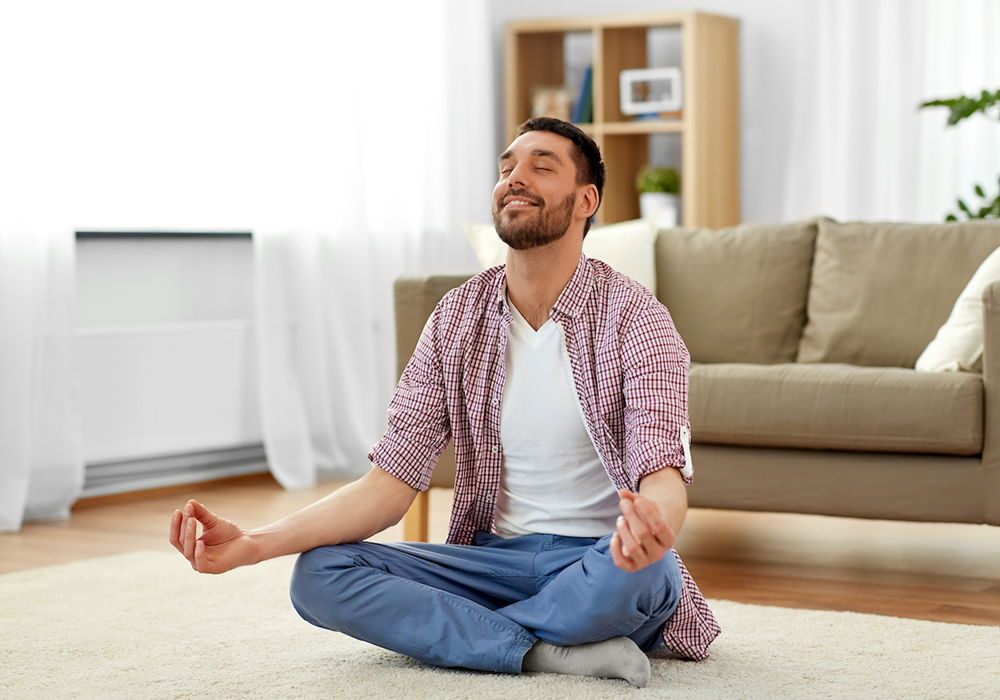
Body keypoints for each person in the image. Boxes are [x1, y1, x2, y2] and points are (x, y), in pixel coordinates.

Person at [169, 117, 720, 687]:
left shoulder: (636, 317)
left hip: (600, 560)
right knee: (319, 574)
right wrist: (255, 544)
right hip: (491, 562)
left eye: (541, 166)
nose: (515, 178)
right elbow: (387, 486)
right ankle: (548, 651)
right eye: (507, 167)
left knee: (648, 573)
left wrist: (652, 527)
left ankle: (483, 639)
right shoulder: (456, 318)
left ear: (587, 200)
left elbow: (663, 474)